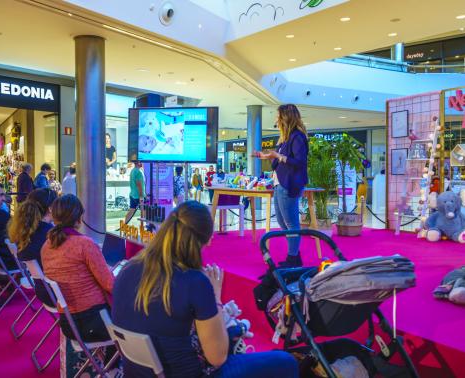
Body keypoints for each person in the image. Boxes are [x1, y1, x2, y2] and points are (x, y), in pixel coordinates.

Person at [112, 201, 298, 377]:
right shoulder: (194, 282)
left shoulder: (128, 269)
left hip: (138, 372)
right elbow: (217, 358)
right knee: (285, 361)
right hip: (187, 373)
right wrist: (215, 295)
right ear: (207, 239)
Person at [41, 195, 115, 349]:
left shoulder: (47, 245)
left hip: (69, 324)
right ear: (79, 217)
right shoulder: (84, 244)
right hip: (97, 323)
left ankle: (111, 365)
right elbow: (110, 285)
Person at [254, 104, 308, 267]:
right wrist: (268, 157)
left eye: (278, 116)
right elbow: (280, 160)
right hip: (280, 183)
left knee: (291, 223)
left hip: (289, 183)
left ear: (286, 117)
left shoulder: (297, 136)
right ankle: (294, 256)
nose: (276, 119)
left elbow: (300, 162)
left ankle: (293, 258)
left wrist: (277, 155)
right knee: (283, 222)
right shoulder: (285, 138)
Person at [8, 188, 57, 305]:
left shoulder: (27, 232)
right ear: (51, 208)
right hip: (57, 294)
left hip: (42, 290)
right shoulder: (50, 235)